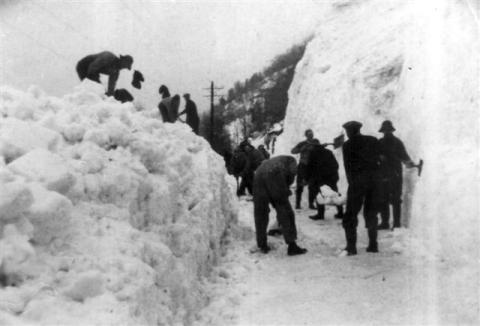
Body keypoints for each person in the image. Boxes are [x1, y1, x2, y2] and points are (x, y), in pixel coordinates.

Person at [253, 155, 307, 256]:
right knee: (285, 210)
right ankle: (292, 245)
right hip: (274, 173)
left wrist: (284, 189)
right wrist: (285, 191)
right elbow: (283, 186)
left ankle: (262, 244)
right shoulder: (292, 163)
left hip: (258, 175)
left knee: (260, 212)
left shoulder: (282, 160)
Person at [341, 121, 381, 255]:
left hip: (357, 183)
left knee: (350, 216)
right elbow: (380, 159)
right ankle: (373, 245)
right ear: (359, 129)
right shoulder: (372, 140)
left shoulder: (347, 145)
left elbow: (348, 167)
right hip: (374, 182)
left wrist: (352, 184)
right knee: (371, 213)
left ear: (349, 131)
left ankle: (351, 247)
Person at [377, 120, 414, 229]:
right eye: (385, 131)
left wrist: (409, 163)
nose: (387, 132)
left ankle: (396, 224)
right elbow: (374, 156)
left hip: (395, 175)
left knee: (396, 199)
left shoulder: (397, 142)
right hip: (383, 175)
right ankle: (385, 223)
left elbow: (404, 156)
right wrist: (379, 157)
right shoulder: (380, 142)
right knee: (383, 199)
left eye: (388, 130)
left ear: (391, 130)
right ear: (383, 131)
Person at [306, 141, 344, 220]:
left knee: (319, 195)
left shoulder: (313, 153)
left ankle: (320, 214)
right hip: (331, 178)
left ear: (314, 146)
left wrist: (308, 178)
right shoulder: (328, 152)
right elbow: (335, 165)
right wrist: (334, 176)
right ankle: (340, 213)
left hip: (319, 178)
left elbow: (309, 167)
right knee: (334, 194)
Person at [291, 129, 319, 209]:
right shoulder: (302, 143)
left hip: (312, 166)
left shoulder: (316, 142)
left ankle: (311, 204)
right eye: (309, 134)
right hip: (303, 166)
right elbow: (293, 151)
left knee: (312, 186)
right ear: (306, 135)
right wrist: (302, 149)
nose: (311, 135)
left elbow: (320, 149)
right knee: (300, 185)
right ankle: (297, 204)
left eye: (312, 134)